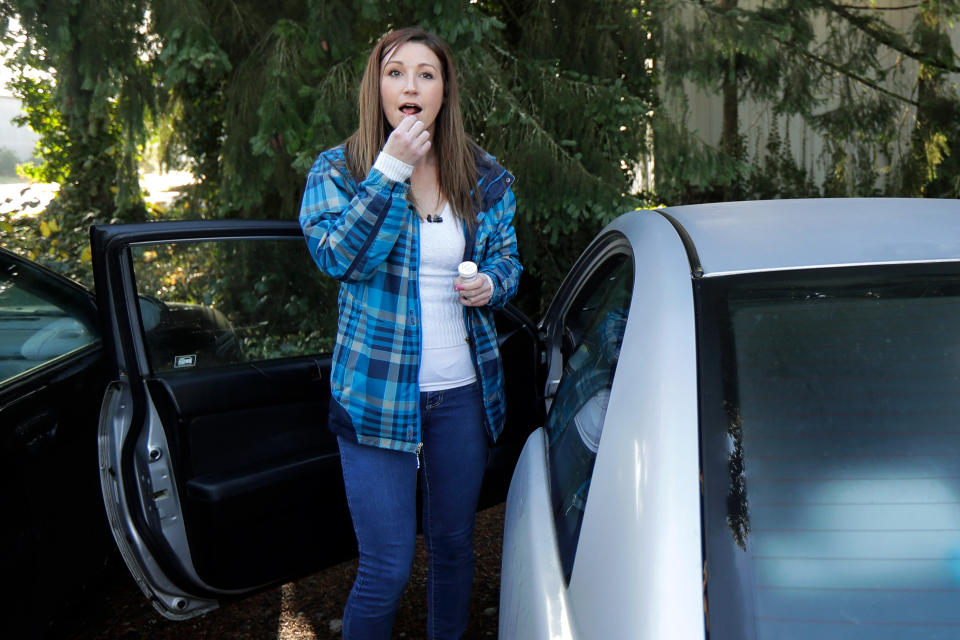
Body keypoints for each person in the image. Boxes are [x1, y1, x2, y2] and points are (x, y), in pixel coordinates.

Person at [298, 26, 522, 640]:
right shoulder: (338, 170)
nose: (411, 85)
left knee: (453, 551)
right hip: (374, 399)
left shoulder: (482, 175)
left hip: (461, 396)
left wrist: (493, 285)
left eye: (426, 73)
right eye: (396, 72)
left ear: (444, 90)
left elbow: (508, 259)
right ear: (377, 87)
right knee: (387, 568)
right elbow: (340, 258)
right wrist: (390, 168)